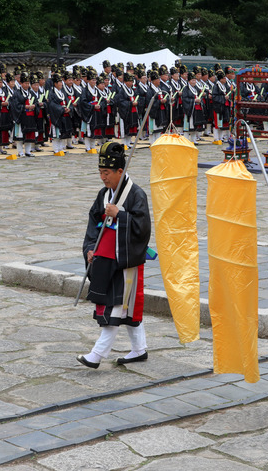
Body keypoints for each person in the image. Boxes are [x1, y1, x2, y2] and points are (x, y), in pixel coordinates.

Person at [77, 142, 152, 369]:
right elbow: (93, 226)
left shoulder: (136, 194)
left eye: (106, 172)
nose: (103, 177)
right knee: (124, 308)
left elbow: (143, 228)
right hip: (105, 260)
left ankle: (97, 355)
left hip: (124, 261)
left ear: (120, 171)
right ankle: (139, 349)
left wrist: (120, 214)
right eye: (100, 172)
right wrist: (90, 249)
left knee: (115, 308)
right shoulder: (103, 195)